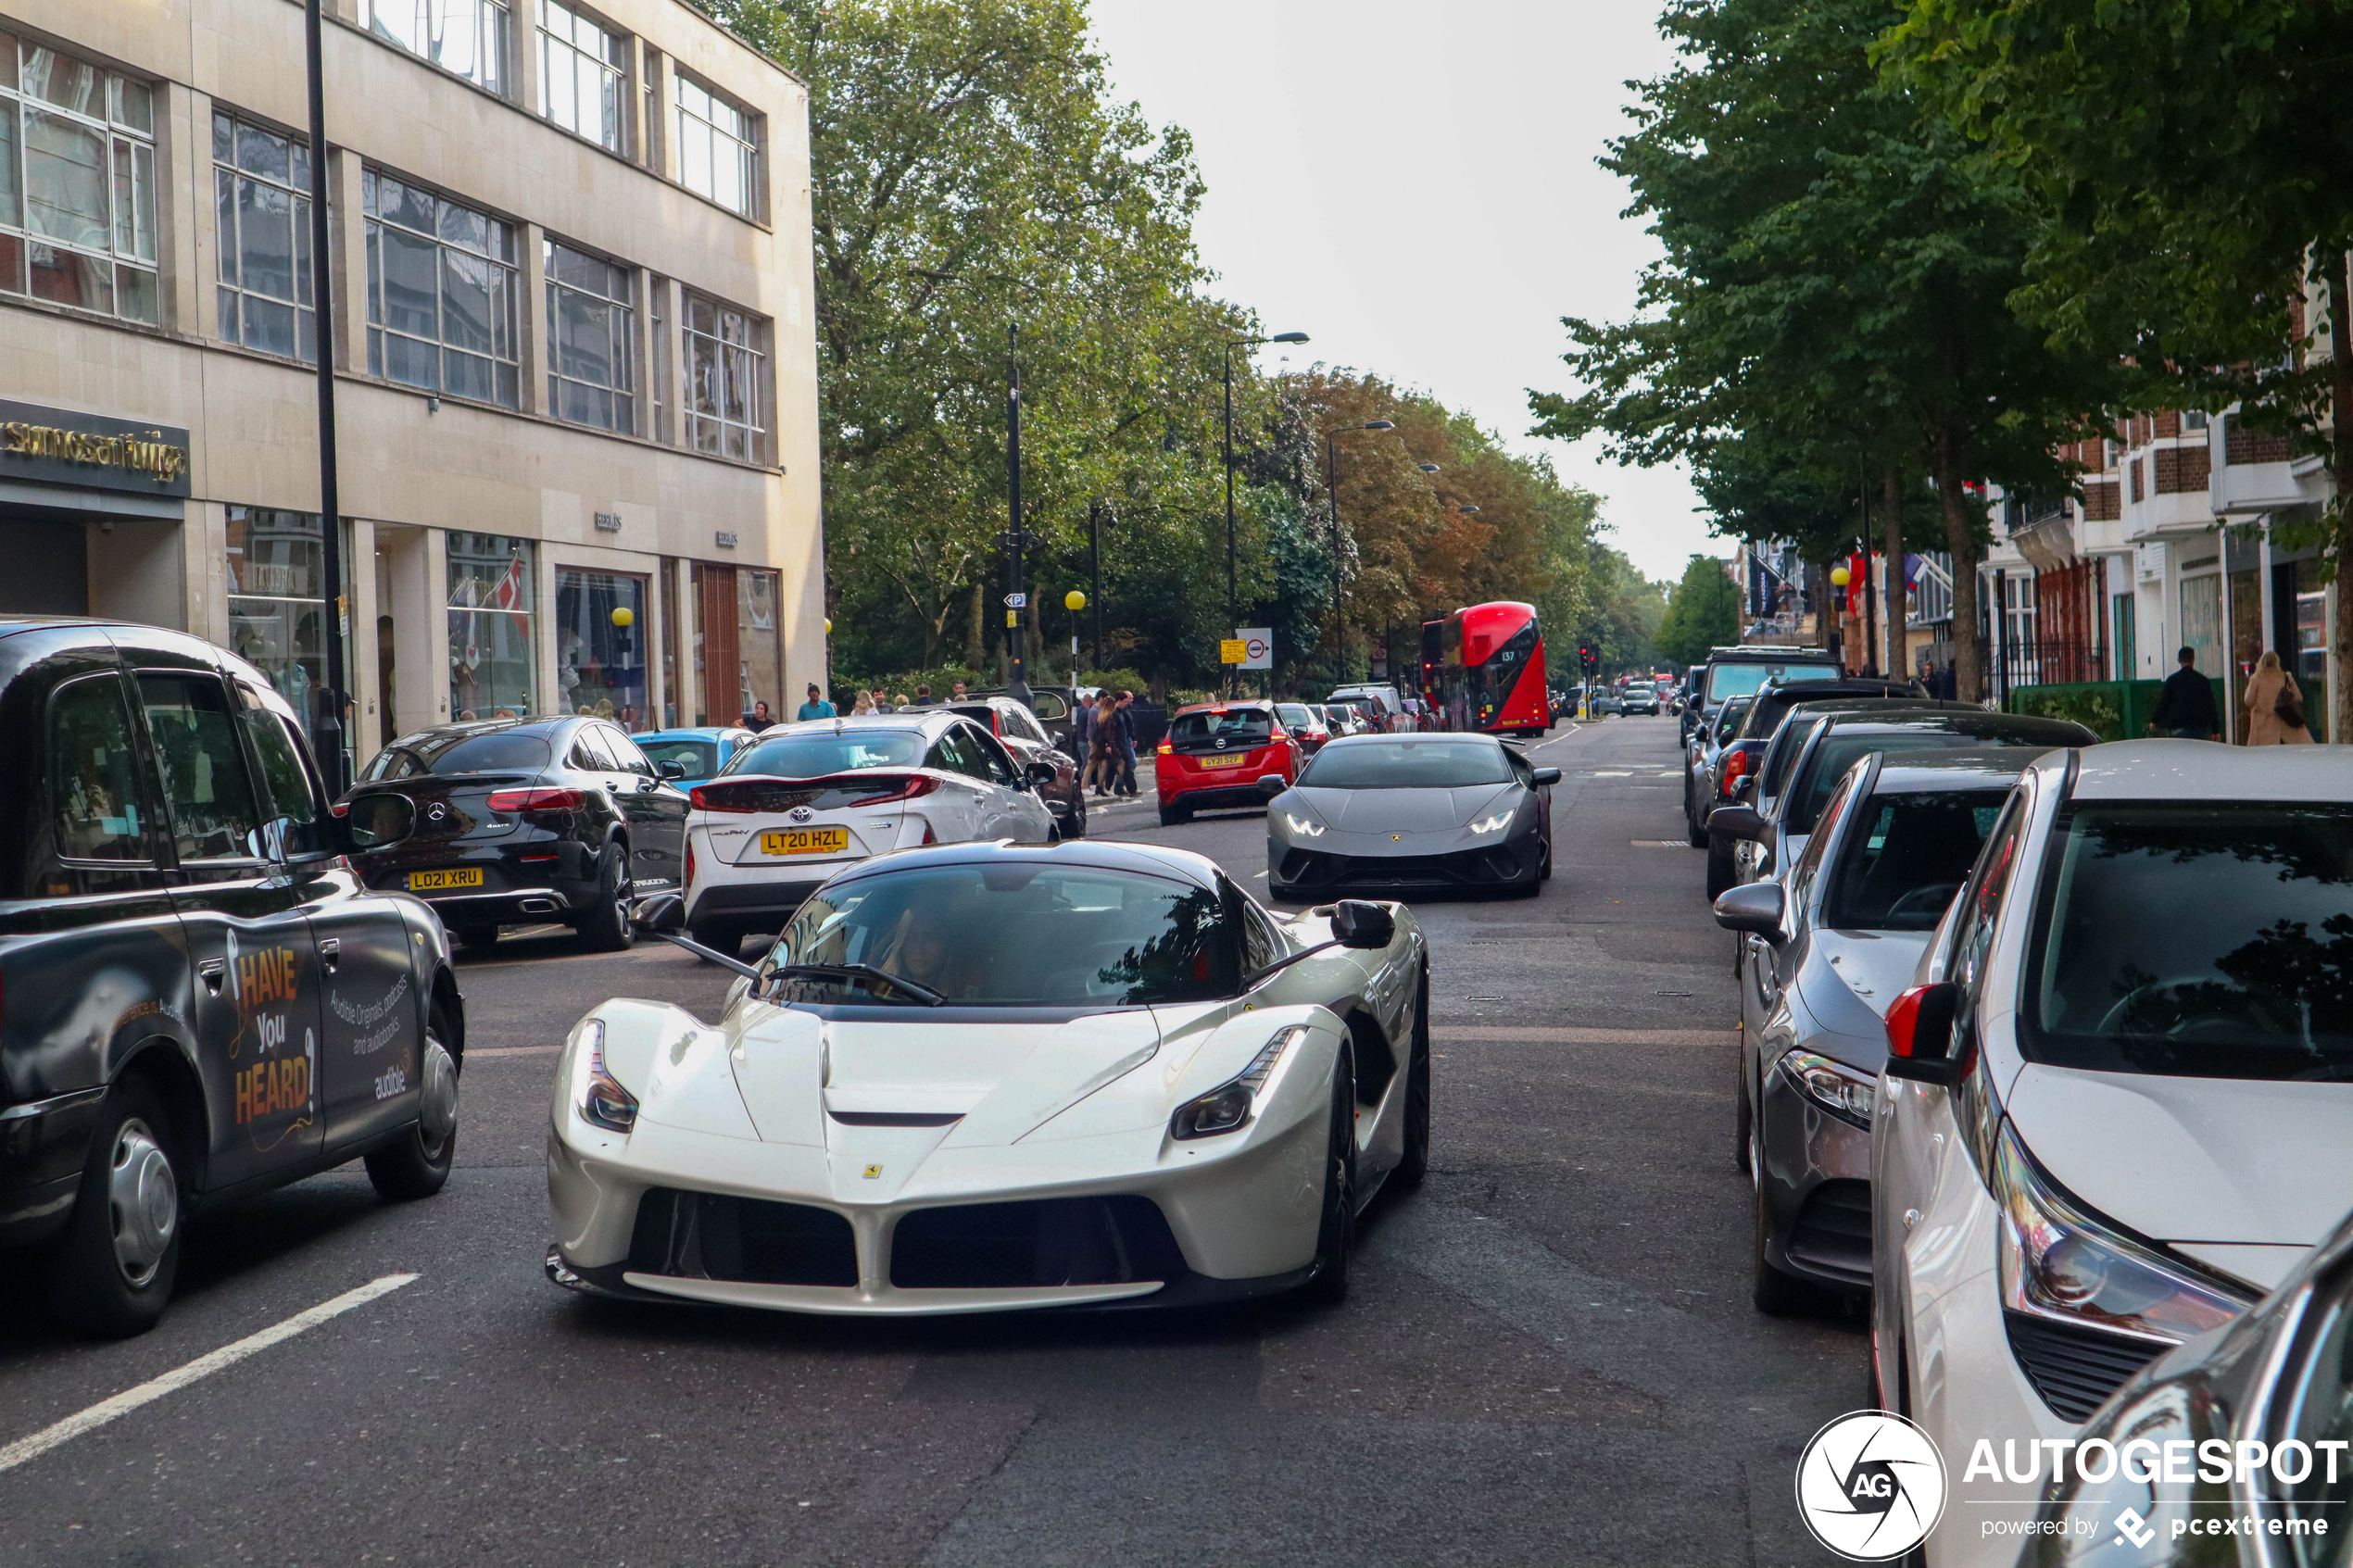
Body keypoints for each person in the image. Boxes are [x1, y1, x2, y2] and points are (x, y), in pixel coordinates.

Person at [2148, 646, 2221, 740]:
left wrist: (2154, 720)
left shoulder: (2172, 681)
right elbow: (2211, 707)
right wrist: (2215, 731)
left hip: (2178, 731)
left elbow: (2163, 704)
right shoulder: (2203, 681)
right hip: (2200, 731)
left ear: (2179, 660)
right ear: (2193, 660)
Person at [2244, 649, 2314, 746]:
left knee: (2263, 756)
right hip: (2284, 722)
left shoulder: (2256, 679)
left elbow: (2249, 701)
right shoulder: (2285, 677)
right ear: (2277, 663)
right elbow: (2298, 698)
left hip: (2262, 726)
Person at [1111, 690, 1139, 797]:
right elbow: (1113, 730)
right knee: (1125, 765)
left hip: (1123, 741)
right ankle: (1128, 788)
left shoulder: (1122, 712)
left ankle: (1125, 788)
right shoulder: (1115, 713)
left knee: (1124, 765)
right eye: (1125, 701)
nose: (1127, 703)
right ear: (1120, 701)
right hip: (1119, 743)